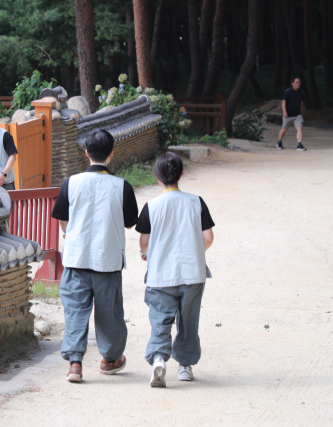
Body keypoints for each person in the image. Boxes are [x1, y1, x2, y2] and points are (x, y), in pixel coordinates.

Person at [50, 129, 139, 383]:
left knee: (75, 310)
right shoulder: (122, 186)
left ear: (86, 152)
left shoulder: (71, 183)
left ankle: (75, 364)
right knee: (109, 311)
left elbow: (64, 223)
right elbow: (130, 222)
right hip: (107, 259)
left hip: (76, 258)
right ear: (111, 154)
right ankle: (110, 360)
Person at [136, 152, 214, 388]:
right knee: (188, 320)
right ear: (180, 174)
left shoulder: (151, 206)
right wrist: (196, 251)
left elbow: (144, 241)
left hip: (161, 275)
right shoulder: (196, 202)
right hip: (193, 273)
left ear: (157, 177)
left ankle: (159, 358)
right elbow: (208, 237)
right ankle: (185, 367)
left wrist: (144, 254)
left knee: (160, 319)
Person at [278, 77, 307, 151]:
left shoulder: (301, 92)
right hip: (288, 114)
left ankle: (299, 145)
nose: (298, 84)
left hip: (297, 114)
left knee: (299, 128)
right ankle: (279, 142)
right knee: (284, 129)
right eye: (296, 82)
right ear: (292, 83)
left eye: (299, 82)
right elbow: (284, 102)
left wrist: (301, 112)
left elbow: (301, 102)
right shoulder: (288, 92)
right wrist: (284, 112)